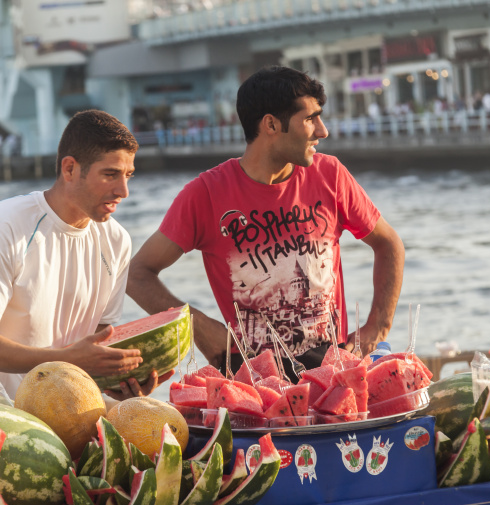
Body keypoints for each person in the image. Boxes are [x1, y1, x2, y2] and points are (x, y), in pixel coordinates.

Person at [127, 66, 405, 378]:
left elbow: (388, 244)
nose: (322, 130)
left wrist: (377, 326)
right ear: (271, 124)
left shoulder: (330, 175)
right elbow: (136, 276)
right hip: (253, 381)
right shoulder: (205, 194)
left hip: (334, 371)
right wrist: (198, 326)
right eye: (310, 118)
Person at [0, 109, 172, 401]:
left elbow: (95, 351)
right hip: (2, 413)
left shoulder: (117, 241)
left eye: (128, 176)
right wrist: (67, 360)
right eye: (110, 174)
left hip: (73, 412)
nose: (123, 190)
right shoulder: (4, 226)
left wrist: (122, 383)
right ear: (70, 169)